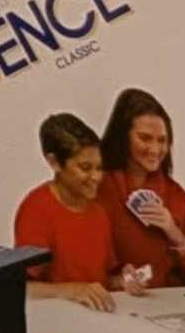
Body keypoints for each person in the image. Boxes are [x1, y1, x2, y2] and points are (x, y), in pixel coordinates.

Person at [91, 87, 185, 293]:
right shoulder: (97, 189)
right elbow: (78, 272)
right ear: (123, 137)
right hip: (112, 304)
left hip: (166, 305)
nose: (155, 149)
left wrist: (176, 236)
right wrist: (116, 281)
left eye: (162, 140)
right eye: (145, 138)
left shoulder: (177, 196)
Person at [14, 115, 125, 288]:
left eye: (99, 168)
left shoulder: (99, 212)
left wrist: (124, 281)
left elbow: (102, 282)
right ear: (54, 162)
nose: (96, 177)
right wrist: (70, 291)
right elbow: (20, 286)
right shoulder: (37, 209)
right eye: (85, 168)